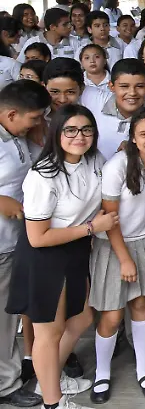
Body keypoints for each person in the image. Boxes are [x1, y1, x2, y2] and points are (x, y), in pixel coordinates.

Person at [8, 106, 107, 409]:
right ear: (57, 133)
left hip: (76, 249)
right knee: (48, 333)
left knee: (82, 318)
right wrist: (91, 227)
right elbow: (38, 237)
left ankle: (48, 378)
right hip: (45, 257)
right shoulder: (44, 174)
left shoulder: (95, 160)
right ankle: (52, 402)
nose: (80, 136)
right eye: (71, 130)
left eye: (87, 129)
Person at [90, 108, 145, 404]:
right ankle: (102, 373)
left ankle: (142, 370)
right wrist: (124, 258)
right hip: (114, 245)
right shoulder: (118, 165)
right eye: (144, 134)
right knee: (112, 316)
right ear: (133, 138)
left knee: (142, 304)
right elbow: (110, 218)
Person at [0, 81, 49, 408]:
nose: (39, 122)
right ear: (11, 113)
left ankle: (6, 381)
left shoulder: (19, 138)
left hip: (13, 244)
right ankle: (6, 385)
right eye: (34, 117)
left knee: (6, 319)